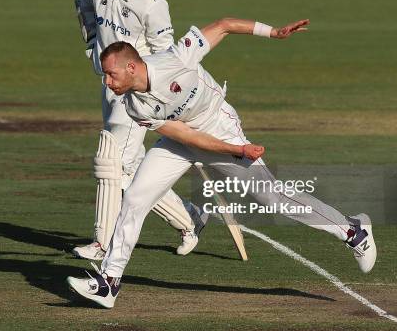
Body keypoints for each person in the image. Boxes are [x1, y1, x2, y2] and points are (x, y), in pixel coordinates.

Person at [66, 17, 377, 308]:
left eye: (111, 74)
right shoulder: (134, 105)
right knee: (135, 197)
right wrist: (234, 150)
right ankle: (109, 282)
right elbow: (186, 137)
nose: (107, 82)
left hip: (220, 127)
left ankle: (352, 231)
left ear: (131, 67)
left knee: (273, 198)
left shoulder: (176, 58)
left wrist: (273, 32)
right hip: (183, 140)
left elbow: (225, 25)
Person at [72, 0, 207, 261]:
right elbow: (82, 7)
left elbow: (165, 57)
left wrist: (156, 97)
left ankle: (103, 242)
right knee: (128, 169)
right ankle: (188, 217)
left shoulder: (151, 3)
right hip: (110, 85)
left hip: (136, 94)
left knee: (111, 161)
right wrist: (93, 46)